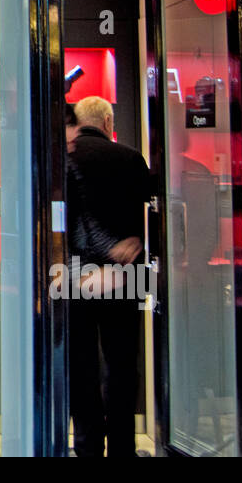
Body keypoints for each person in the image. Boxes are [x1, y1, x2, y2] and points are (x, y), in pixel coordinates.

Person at [66, 95, 151, 458]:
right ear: (107, 123)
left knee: (81, 362)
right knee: (121, 363)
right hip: (125, 274)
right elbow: (149, 217)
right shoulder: (131, 158)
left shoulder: (65, 159)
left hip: (73, 274)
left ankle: (87, 445)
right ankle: (122, 447)